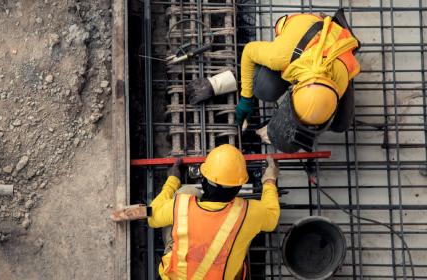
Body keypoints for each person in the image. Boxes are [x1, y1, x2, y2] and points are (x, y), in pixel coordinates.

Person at [187, 9, 361, 153]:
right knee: (264, 89)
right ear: (293, 90)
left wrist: (287, 132)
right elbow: (249, 52)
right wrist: (246, 97)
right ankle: (231, 78)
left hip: (336, 51)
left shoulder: (341, 80)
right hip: (303, 33)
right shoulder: (281, 55)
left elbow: (316, 110)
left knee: (342, 123)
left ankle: (338, 28)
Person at [148, 144, 280, 279]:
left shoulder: (182, 206)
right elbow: (272, 218)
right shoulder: (249, 213)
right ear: (239, 187)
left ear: (204, 182)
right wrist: (269, 180)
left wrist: (172, 180)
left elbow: (152, 217)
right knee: (242, 231)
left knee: (187, 192)